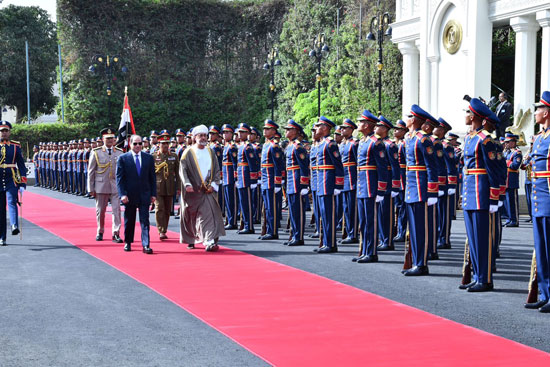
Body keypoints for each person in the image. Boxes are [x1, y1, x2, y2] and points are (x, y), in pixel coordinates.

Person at [461, 98, 501, 292]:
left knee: (482, 238)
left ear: (475, 116)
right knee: (473, 237)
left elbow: (494, 169)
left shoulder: (485, 139)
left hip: (481, 191)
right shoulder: (470, 137)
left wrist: (494, 196)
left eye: (468, 113)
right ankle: (477, 275)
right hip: (470, 190)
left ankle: (485, 278)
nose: (466, 116)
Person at [403, 105, 439, 276]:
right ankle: (416, 261)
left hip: (421, 187)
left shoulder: (423, 139)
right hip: (411, 188)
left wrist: (432, 191)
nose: (406, 118)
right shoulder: (408, 138)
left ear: (415, 120)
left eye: (409, 116)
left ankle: (422, 263)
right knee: (413, 228)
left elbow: (432, 166)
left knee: (420, 228)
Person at [179, 124, 226, 251]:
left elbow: (217, 169)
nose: (204, 138)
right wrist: (187, 184)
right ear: (194, 137)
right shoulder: (188, 152)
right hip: (193, 191)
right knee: (191, 216)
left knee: (208, 214)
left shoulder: (211, 151)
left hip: (208, 191)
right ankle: (191, 239)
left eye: (205, 135)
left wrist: (214, 185)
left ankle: (209, 241)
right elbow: (183, 170)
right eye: (201, 135)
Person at [353, 110, 388, 263]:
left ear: (367, 125)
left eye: (360, 122)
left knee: (370, 220)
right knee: (363, 221)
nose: (358, 124)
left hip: (371, 186)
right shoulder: (362, 141)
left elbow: (382, 167)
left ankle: (372, 252)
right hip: (362, 185)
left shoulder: (376, 142)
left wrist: (381, 189)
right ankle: (365, 249)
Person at [526, 90, 550, 312]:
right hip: (538, 200)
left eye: (538, 109)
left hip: (548, 199)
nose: (535, 113)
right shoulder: (539, 138)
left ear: (547, 112)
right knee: (541, 249)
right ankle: (545, 292)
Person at [116, 134, 157, 254]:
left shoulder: (148, 158)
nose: (138, 146)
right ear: (130, 144)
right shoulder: (123, 158)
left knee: (145, 220)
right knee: (130, 220)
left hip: (145, 194)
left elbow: (152, 178)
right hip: (129, 195)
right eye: (135, 143)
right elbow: (120, 179)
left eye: (140, 143)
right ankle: (128, 242)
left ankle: (146, 244)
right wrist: (122, 194)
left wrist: (153, 194)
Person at [313, 116, 344, 254]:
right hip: (321, 182)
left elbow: (338, 165)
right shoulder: (321, 143)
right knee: (323, 214)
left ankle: (331, 243)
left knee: (328, 214)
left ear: (325, 128)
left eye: (319, 126)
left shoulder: (330, 144)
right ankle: (325, 241)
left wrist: (338, 185)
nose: (317, 129)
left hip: (328, 182)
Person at [88, 128, 124, 243]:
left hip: (115, 185)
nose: (109, 140)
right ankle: (100, 231)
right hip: (100, 185)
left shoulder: (119, 152)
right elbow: (91, 171)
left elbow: (123, 172)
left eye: (111, 138)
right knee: (100, 210)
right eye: (107, 138)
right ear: (102, 139)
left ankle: (116, 232)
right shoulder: (96, 152)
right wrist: (91, 188)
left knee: (116, 210)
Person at [283, 119, 309, 246]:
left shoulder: (298, 147)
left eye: (288, 129)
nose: (286, 131)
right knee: (292, 210)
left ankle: (299, 236)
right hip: (290, 181)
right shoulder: (289, 146)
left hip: (297, 181)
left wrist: (304, 184)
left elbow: (304, 166)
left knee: (298, 210)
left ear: (295, 131)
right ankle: (293, 234)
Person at [0, 121, 27, 246]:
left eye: (6, 131)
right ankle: (2, 237)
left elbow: (21, 165)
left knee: (11, 201)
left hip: (12, 178)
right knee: (0, 210)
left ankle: (14, 225)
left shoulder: (16, 146)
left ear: (9, 132)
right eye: (2, 131)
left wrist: (22, 183)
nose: (4, 133)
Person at [259, 119, 285, 240]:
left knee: (271, 207)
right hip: (265, 179)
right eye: (264, 128)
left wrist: (278, 183)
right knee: (267, 208)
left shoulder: (274, 146)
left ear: (274, 131)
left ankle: (273, 231)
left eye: (268, 129)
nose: (265, 130)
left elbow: (278, 165)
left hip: (271, 180)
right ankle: (268, 229)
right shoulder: (265, 145)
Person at [153, 130, 180, 240]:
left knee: (168, 209)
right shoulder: (154, 156)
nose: (165, 145)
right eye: (163, 143)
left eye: (166, 143)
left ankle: (165, 227)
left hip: (170, 186)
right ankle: (161, 230)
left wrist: (178, 188)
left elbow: (178, 173)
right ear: (158, 144)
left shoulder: (173, 156)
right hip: (157, 187)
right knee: (159, 208)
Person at [339, 118, 359, 245]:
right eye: (341, 128)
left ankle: (353, 233)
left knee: (352, 208)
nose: (341, 130)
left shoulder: (354, 143)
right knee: (346, 208)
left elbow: (359, 163)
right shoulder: (342, 144)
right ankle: (348, 232)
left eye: (345, 128)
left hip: (352, 178)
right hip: (344, 179)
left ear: (351, 129)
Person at [503, 133, 522, 227]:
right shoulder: (507, 152)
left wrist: (506, 162)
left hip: (512, 179)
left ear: (513, 142)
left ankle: (514, 220)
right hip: (506, 179)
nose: (506, 144)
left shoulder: (517, 153)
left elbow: (515, 165)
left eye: (508, 142)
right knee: (507, 202)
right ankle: (509, 219)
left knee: (512, 202)